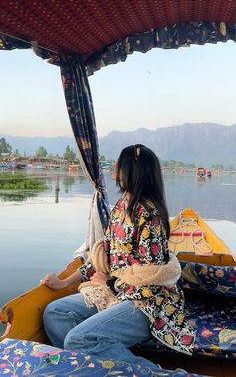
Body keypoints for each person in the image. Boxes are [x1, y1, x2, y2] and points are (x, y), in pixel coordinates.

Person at [42, 144, 195, 367]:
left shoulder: (149, 215)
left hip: (148, 303)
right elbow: (106, 260)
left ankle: (157, 373)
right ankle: (90, 368)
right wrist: (63, 282)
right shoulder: (121, 207)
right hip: (117, 292)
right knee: (55, 312)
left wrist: (111, 283)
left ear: (133, 171)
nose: (114, 167)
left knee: (79, 340)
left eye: (119, 164)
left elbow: (151, 278)